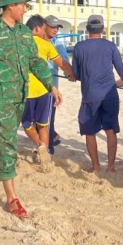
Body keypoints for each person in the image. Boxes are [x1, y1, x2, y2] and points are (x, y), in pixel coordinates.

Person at [0, 0, 64, 219]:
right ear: (11, 6)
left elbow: (35, 61)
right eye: (22, 5)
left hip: (21, 96)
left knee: (1, 138)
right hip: (0, 98)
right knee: (8, 142)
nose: (25, 9)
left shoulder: (23, 33)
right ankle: (12, 200)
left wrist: (50, 85)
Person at [72, 14, 123, 173]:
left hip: (90, 96)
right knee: (110, 130)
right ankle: (111, 167)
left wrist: (73, 76)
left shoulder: (79, 47)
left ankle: (96, 166)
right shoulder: (110, 46)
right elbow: (122, 71)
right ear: (103, 29)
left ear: (87, 29)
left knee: (89, 132)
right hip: (110, 95)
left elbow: (77, 74)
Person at [23, 14, 73, 161]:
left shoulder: (20, 42)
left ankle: (42, 148)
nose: (54, 30)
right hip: (46, 90)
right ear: (37, 28)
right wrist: (74, 74)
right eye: (47, 28)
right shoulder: (46, 44)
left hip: (27, 90)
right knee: (43, 124)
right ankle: (44, 153)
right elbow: (62, 63)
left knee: (27, 123)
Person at [46, 15, 70, 151]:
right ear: (44, 26)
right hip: (33, 87)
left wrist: (70, 74)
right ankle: (53, 136)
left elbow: (64, 62)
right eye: (52, 27)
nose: (55, 30)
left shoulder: (58, 44)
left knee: (48, 119)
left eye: (57, 27)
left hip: (51, 88)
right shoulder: (34, 41)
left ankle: (49, 148)